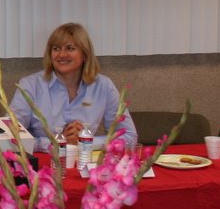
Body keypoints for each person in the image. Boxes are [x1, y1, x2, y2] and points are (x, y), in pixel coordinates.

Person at [10, 22, 137, 152]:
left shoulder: (103, 86)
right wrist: (57, 142)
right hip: (44, 160)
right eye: (56, 48)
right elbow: (11, 136)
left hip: (85, 160)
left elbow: (129, 136)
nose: (62, 54)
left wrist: (85, 141)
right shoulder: (29, 85)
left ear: (85, 54)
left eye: (70, 48)